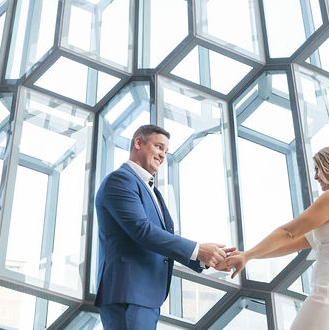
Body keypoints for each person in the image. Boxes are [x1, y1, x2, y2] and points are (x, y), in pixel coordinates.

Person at [219, 146, 329, 330]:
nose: (316, 177)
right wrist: (248, 256)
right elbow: (293, 243)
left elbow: (288, 232)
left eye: (318, 168)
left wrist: (247, 255)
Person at [94, 124, 231, 330]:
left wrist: (206, 259)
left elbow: (161, 240)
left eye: (165, 151)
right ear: (138, 143)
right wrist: (198, 249)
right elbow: (142, 231)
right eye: (158, 147)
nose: (162, 155)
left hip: (145, 296)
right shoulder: (120, 180)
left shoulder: (152, 190)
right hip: (128, 294)